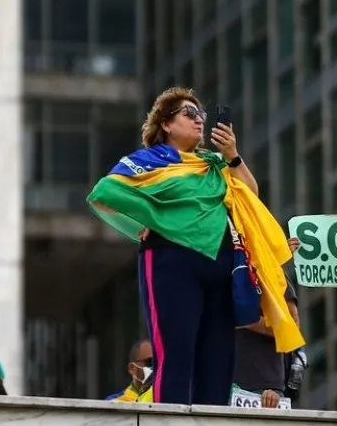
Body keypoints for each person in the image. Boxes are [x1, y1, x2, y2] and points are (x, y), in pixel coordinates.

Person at [87, 87, 304, 406]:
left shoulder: (212, 162)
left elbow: (250, 194)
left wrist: (233, 155)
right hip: (171, 261)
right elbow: (105, 193)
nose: (198, 120)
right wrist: (142, 224)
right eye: (188, 114)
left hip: (221, 267)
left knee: (217, 360)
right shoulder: (149, 160)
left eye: (201, 115)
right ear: (166, 124)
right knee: (176, 355)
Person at [233, 239, 302, 408]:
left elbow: (292, 327)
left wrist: (248, 321)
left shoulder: (272, 272)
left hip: (263, 389)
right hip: (216, 383)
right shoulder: (216, 268)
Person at [106, 339, 155, 403]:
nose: (155, 367)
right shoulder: (115, 402)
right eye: (150, 362)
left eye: (159, 363)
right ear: (132, 368)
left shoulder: (167, 398)